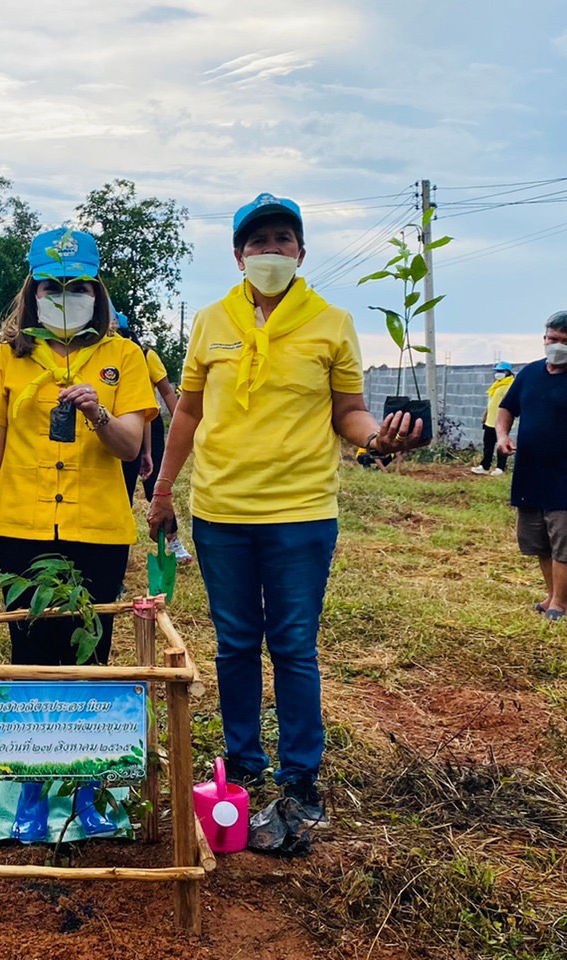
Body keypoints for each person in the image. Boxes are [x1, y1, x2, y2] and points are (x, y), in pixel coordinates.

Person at [146, 193, 425, 831]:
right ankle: (242, 762)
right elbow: (186, 411)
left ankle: (301, 774)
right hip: (221, 510)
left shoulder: (330, 323)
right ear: (239, 254)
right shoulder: (211, 321)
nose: (270, 252)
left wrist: (374, 436)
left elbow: (347, 411)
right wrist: (164, 493)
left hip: (300, 512)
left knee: (294, 645)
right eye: (258, 242)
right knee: (236, 642)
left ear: (301, 252)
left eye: (282, 240)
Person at [0, 228, 157, 843]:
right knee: (30, 652)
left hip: (97, 530)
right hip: (22, 528)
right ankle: (30, 785)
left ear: (95, 291)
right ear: (32, 291)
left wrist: (98, 410)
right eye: (51, 285)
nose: (63, 296)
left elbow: (131, 445)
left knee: (89, 654)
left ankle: (85, 784)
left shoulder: (123, 358)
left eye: (76, 287)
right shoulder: (6, 360)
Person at [494, 311, 567, 622]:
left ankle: (560, 603)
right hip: (532, 474)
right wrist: (502, 436)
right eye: (552, 339)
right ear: (544, 338)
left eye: (566, 341)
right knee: (540, 542)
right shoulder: (530, 374)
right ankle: (552, 597)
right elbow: (507, 408)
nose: (558, 345)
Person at [115, 312, 193, 563]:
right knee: (119, 494)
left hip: (151, 425)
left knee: (155, 489)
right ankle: (116, 554)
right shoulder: (100, 355)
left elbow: (167, 393)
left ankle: (175, 544)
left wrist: (181, 424)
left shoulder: (146, 356)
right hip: (114, 428)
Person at [472, 361, 514, 476]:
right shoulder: (497, 384)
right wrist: (485, 415)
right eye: (497, 371)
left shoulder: (510, 385)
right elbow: (491, 402)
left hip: (502, 421)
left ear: (507, 372)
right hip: (490, 420)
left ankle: (501, 468)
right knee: (488, 444)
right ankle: (485, 466)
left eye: (500, 371)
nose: (498, 373)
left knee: (502, 444)